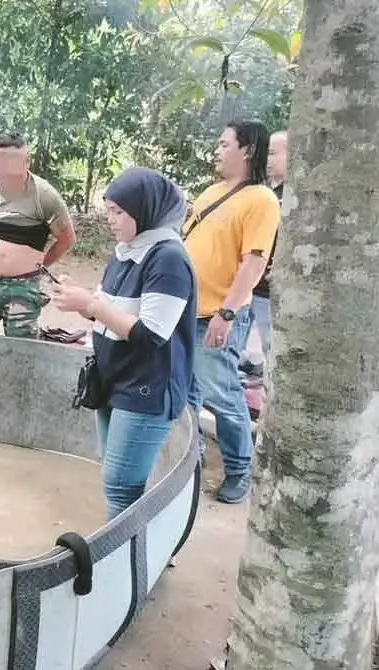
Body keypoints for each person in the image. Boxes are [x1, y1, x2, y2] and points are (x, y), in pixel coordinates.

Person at [52, 167, 196, 520]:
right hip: (114, 377)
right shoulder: (125, 253)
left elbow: (151, 335)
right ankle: (129, 543)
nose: (110, 219)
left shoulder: (168, 259)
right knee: (116, 476)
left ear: (144, 210)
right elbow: (111, 314)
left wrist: (90, 304)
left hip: (146, 386)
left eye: (118, 211)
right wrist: (80, 300)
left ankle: (123, 551)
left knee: (121, 485)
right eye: (108, 210)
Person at [183, 120, 280, 504]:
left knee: (221, 393)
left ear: (248, 150)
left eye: (225, 144)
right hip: (188, 310)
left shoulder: (261, 200)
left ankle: (240, 469)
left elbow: (253, 264)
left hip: (217, 313)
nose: (217, 150)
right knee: (186, 391)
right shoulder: (212, 192)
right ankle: (189, 459)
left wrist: (227, 313)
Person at [0, 133, 76, 338]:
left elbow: (66, 239)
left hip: (23, 287)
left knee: (22, 346)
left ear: (27, 161)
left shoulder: (44, 195)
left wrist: (38, 263)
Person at [249, 129, 287, 353]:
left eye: (273, 154)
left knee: (269, 346)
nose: (267, 160)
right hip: (248, 282)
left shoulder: (295, 198)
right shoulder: (259, 190)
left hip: (270, 289)